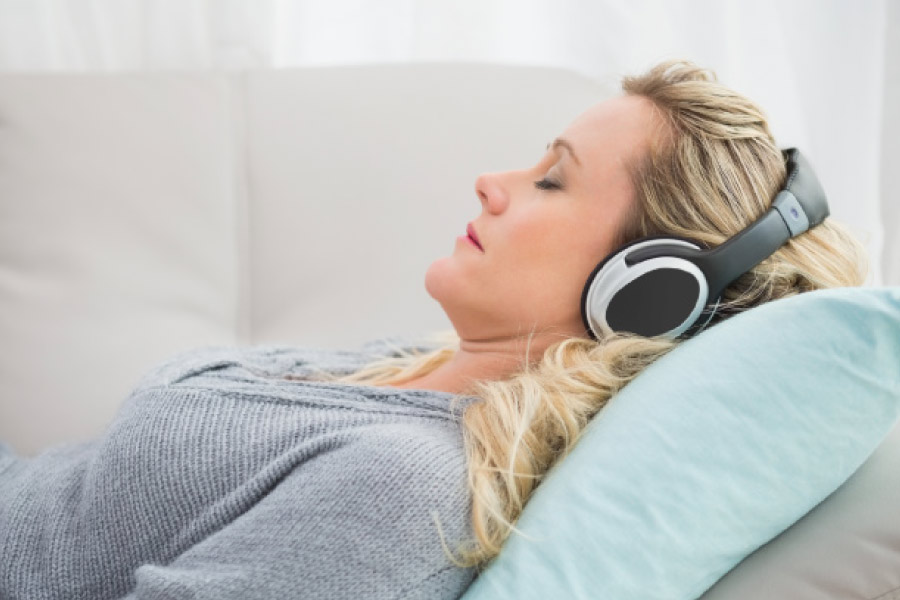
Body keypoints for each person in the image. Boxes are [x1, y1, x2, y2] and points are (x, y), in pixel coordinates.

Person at [0, 60, 866, 599]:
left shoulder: (401, 492)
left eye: (551, 182)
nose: (491, 180)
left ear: (642, 294)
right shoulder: (409, 370)